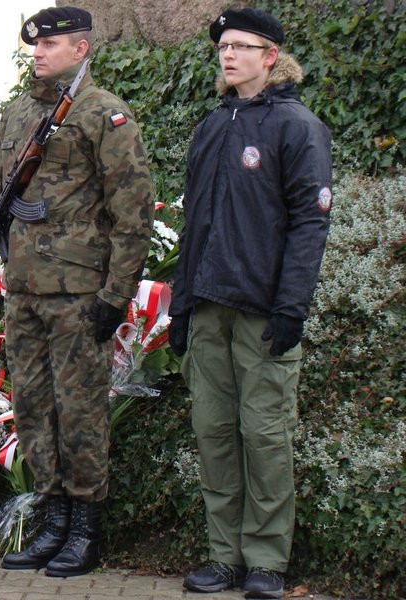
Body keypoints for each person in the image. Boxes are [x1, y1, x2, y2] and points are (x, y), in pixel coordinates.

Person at [0, 6, 154, 578]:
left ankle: (85, 528)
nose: (39, 52)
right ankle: (51, 519)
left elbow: (133, 211)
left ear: (81, 49)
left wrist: (115, 296)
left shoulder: (105, 114)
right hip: (23, 290)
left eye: (51, 45)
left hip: (78, 294)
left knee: (80, 412)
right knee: (34, 408)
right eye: (36, 45)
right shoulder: (21, 110)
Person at [167, 9, 332, 599]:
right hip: (209, 305)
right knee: (213, 431)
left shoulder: (297, 126)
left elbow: (310, 225)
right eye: (223, 46)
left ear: (271, 56)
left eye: (242, 46)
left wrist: (292, 308)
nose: (228, 55)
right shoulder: (212, 125)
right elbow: (195, 225)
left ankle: (266, 560)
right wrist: (180, 307)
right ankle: (225, 556)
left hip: (263, 310)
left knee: (264, 436)